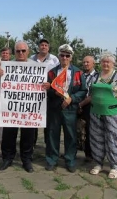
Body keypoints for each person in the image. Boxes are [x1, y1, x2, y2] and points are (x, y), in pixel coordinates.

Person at [45, 44, 87, 173]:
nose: (64, 58)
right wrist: (54, 92)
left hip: (70, 109)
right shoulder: (51, 72)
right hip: (55, 108)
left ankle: (70, 160)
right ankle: (52, 159)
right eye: (62, 55)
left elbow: (83, 90)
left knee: (71, 135)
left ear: (71, 57)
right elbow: (47, 90)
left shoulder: (78, 72)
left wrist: (72, 99)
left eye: (67, 55)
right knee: (52, 134)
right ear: (59, 56)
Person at [89, 52, 117, 179]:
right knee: (96, 138)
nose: (105, 63)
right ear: (100, 63)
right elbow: (91, 94)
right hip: (96, 113)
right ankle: (98, 164)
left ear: (113, 64)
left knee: (112, 139)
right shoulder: (95, 76)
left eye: (108, 62)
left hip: (112, 113)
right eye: (103, 61)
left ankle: (114, 166)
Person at [0, 41, 36, 173]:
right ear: (14, 52)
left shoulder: (36, 67)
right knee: (8, 134)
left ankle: (26, 160)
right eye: (18, 51)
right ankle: (7, 158)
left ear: (28, 51)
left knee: (28, 135)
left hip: (28, 108)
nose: (21, 53)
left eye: (23, 51)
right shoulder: (7, 66)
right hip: (10, 107)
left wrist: (45, 85)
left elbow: (42, 85)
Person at [30, 38, 59, 146]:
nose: (44, 47)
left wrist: (51, 85)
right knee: (33, 121)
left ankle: (48, 146)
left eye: (46, 45)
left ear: (48, 47)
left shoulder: (54, 59)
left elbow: (58, 75)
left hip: (49, 94)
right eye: (42, 45)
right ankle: (32, 145)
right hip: (34, 94)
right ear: (39, 47)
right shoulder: (31, 58)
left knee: (48, 122)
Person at [78, 56, 99, 161]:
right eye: (84, 62)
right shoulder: (79, 75)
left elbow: (93, 94)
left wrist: (81, 104)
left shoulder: (98, 77)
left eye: (88, 62)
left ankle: (89, 155)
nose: (85, 64)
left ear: (93, 64)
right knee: (75, 130)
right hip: (77, 104)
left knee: (90, 130)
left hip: (90, 106)